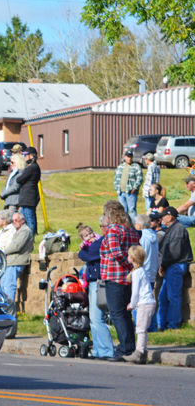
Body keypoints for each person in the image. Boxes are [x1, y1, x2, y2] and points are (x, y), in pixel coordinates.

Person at [99, 200, 140, 361]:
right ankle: (130, 345)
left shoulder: (113, 230)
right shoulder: (130, 231)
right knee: (125, 314)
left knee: (117, 313)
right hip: (128, 278)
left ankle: (125, 347)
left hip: (115, 276)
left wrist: (125, 265)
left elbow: (116, 252)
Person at [152, 206, 193, 330]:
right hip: (171, 266)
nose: (162, 218)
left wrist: (163, 265)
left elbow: (174, 252)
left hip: (175, 266)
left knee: (173, 297)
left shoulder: (178, 229)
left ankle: (173, 325)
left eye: (164, 216)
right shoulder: (172, 228)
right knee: (163, 297)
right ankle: (161, 324)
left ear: (171, 216)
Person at [78, 220, 114, 359]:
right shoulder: (89, 245)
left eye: (90, 233)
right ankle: (98, 350)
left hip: (98, 282)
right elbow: (85, 254)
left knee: (97, 318)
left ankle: (107, 350)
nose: (90, 236)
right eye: (86, 235)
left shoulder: (99, 242)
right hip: (92, 282)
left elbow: (89, 255)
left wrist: (82, 252)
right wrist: (83, 251)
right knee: (93, 319)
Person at [125, 245, 156, 364]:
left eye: (129, 255)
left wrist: (132, 304)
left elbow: (136, 291)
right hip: (147, 303)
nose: (127, 257)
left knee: (140, 329)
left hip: (144, 303)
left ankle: (138, 353)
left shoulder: (137, 272)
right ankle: (143, 353)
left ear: (133, 258)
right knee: (142, 329)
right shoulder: (141, 270)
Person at [0, 212, 33, 309]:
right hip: (10, 261)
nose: (14, 222)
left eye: (16, 220)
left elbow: (17, 246)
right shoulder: (18, 230)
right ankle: (4, 307)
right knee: (3, 284)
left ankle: (9, 308)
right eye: (13, 220)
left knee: (9, 285)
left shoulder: (25, 231)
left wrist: (2, 252)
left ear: (22, 220)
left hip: (17, 261)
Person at [16, 146, 41, 235]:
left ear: (31, 156)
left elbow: (19, 179)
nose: (24, 157)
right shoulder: (34, 167)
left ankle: (32, 236)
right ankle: (27, 236)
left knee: (29, 219)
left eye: (26, 155)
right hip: (27, 198)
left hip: (28, 197)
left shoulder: (32, 168)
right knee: (23, 220)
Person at [114, 151, 142, 219]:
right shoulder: (120, 167)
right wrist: (117, 188)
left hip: (131, 192)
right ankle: (125, 226)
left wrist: (134, 188)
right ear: (124, 157)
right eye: (128, 157)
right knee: (123, 211)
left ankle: (133, 226)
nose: (129, 158)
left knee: (132, 210)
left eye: (130, 157)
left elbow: (140, 178)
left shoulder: (136, 166)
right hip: (121, 192)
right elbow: (116, 178)